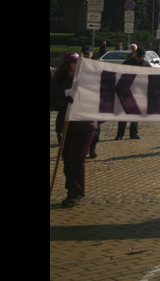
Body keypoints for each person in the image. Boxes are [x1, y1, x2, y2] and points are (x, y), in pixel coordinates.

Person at [51, 52, 100, 207]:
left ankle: (76, 192)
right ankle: (71, 189)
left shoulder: (88, 80)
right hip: (66, 124)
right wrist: (64, 102)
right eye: (75, 63)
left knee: (76, 158)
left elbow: (101, 99)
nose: (78, 65)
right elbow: (52, 102)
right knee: (67, 159)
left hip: (85, 125)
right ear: (68, 64)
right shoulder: (58, 81)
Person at [116, 47, 149, 140]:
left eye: (142, 57)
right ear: (135, 54)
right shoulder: (127, 63)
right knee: (122, 114)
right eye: (139, 57)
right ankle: (120, 134)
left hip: (138, 93)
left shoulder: (146, 64)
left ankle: (133, 133)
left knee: (136, 114)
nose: (141, 59)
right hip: (126, 92)